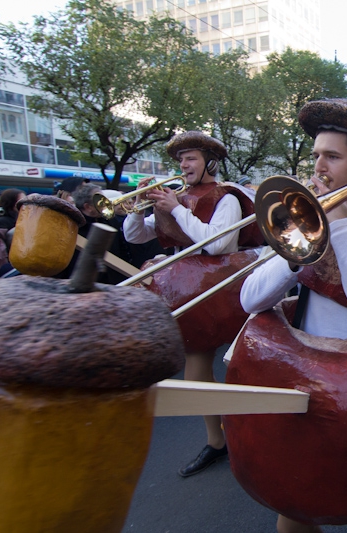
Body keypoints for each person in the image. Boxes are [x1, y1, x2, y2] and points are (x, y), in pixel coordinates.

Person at [240, 88, 347, 533]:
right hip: (302, 375)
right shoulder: (300, 214)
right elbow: (249, 300)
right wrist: (299, 249)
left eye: (332, 157)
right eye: (317, 155)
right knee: (294, 509)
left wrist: (338, 224)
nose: (318, 167)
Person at [123, 131, 243, 477]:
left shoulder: (227, 197)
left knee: (242, 364)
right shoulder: (176, 197)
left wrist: (176, 209)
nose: (183, 166)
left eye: (190, 158)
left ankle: (243, 432)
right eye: (180, 160)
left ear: (211, 162)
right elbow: (136, 235)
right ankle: (218, 440)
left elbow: (218, 245)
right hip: (187, 291)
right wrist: (137, 208)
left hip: (224, 287)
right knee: (196, 372)